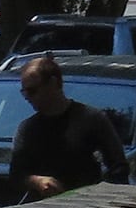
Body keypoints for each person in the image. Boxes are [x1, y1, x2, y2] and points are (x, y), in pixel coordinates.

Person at [8, 55, 126, 199]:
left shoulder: (92, 119)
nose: (27, 97)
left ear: (53, 83)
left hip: (86, 205)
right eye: (24, 92)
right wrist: (36, 181)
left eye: (32, 91)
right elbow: (16, 175)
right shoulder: (28, 129)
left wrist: (104, 197)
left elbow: (118, 167)